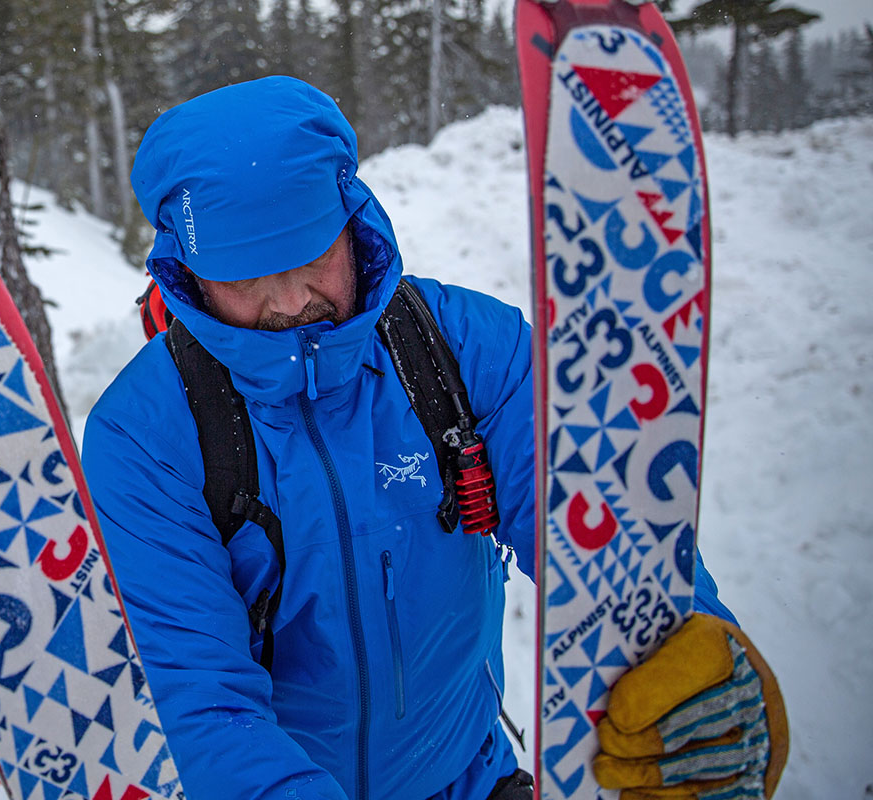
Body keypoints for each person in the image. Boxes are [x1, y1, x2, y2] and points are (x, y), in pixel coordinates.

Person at [82, 76, 786, 800]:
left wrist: (695, 660)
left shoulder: (470, 353)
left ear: (353, 223)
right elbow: (201, 704)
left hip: (467, 778)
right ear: (187, 272)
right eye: (247, 276)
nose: (291, 304)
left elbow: (605, 545)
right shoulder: (143, 439)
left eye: (311, 256)